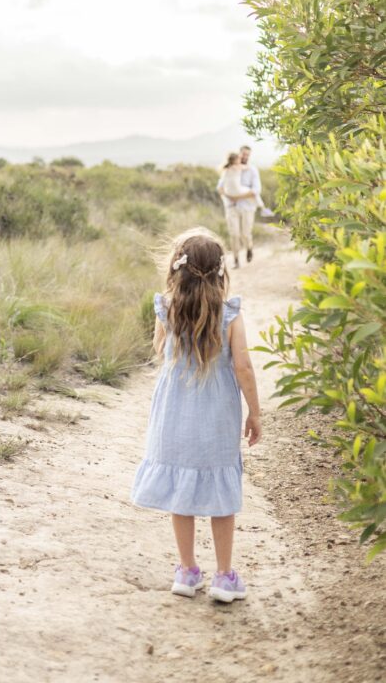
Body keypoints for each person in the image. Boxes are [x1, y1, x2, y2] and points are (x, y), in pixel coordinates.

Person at [131, 228, 262, 603]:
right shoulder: (230, 312)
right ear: (221, 271)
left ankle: (187, 571)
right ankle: (224, 576)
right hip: (217, 414)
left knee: (180, 491)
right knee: (221, 495)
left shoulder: (166, 307)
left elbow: (161, 351)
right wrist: (255, 413)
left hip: (175, 412)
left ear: (177, 269)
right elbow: (244, 367)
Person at [217, 145, 263, 268]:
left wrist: (238, 197)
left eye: (247, 154)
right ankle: (236, 260)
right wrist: (228, 196)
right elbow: (220, 187)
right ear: (239, 154)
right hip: (231, 207)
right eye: (243, 154)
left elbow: (256, 190)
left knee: (245, 234)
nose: (245, 157)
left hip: (247, 207)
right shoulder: (228, 170)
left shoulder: (252, 170)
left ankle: (249, 247)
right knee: (234, 234)